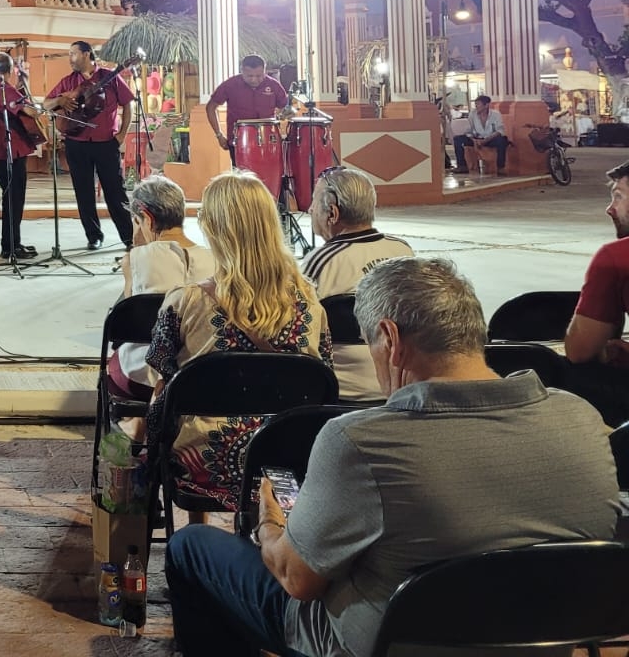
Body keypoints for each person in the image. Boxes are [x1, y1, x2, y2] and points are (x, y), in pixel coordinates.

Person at [165, 256, 618, 657]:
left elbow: (296, 579)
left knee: (192, 548)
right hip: (541, 640)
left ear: (390, 338)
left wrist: (271, 521)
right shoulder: (579, 418)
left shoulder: (360, 441)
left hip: (385, 644)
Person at [145, 172, 331, 510]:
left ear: (214, 230)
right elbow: (322, 377)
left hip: (205, 463)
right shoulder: (310, 303)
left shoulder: (184, 301)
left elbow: (163, 382)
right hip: (287, 456)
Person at [300, 169, 414, 401]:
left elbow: (299, 333)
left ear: (332, 213)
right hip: (402, 389)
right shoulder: (404, 251)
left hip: (341, 395)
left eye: (313, 201)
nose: (310, 209)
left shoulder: (320, 263)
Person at [108, 175, 218, 400]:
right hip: (205, 372)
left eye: (134, 221)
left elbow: (124, 326)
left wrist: (135, 259)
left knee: (115, 359)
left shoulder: (137, 259)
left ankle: (136, 421)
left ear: (146, 219)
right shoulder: (216, 259)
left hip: (149, 375)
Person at [43, 41, 135, 252]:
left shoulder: (109, 77)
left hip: (106, 143)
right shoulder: (68, 82)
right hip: (77, 144)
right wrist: (61, 100)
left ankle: (129, 237)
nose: (70, 58)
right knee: (83, 192)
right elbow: (46, 104)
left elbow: (128, 104)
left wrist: (122, 135)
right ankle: (94, 236)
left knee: (115, 192)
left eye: (73, 54)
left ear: (86, 55)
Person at [564, 157, 629, 424]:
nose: (610, 209)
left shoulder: (616, 258)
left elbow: (581, 350)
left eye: (619, 196)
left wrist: (606, 351)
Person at [0, 52, 41, 263]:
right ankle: (11, 247)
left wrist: (22, 82)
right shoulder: (3, 89)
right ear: (8, 71)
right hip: (11, 152)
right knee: (14, 201)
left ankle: (11, 244)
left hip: (1, 153)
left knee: (11, 201)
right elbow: (31, 111)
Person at [205, 54, 290, 161]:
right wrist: (219, 134)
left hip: (268, 140)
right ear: (242, 71)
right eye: (249, 76)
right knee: (242, 176)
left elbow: (284, 106)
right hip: (239, 141)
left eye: (259, 76)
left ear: (265, 71)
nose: (254, 80)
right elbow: (210, 107)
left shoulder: (274, 85)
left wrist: (282, 116)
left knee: (270, 174)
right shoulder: (230, 85)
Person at [454, 93, 509, 174]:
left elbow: (499, 131)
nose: (476, 107)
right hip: (477, 138)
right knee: (458, 139)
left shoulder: (496, 114)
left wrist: (485, 141)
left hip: (490, 139)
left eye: (478, 104)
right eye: (475, 104)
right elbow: (469, 130)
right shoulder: (472, 114)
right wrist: (474, 140)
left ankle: (500, 167)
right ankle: (462, 166)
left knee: (502, 141)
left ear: (486, 105)